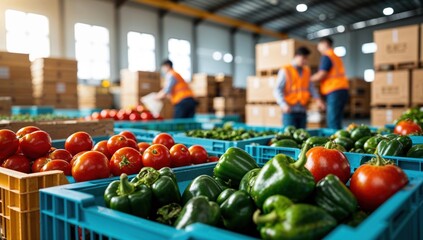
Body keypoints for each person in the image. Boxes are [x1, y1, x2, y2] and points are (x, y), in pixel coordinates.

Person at [274, 47, 325, 129]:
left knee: (302, 136)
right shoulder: (286, 70)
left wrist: (318, 99)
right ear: (296, 56)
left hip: (302, 110)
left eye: (306, 59)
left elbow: (311, 87)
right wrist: (283, 105)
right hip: (289, 110)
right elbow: (277, 89)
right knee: (289, 137)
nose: (305, 61)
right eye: (303, 58)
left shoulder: (306, 71)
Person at [311, 37, 349, 129]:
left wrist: (308, 79)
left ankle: (334, 142)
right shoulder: (335, 56)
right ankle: (339, 139)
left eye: (319, 45)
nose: (318, 48)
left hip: (334, 90)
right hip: (342, 89)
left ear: (324, 44)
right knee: (337, 119)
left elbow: (321, 74)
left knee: (332, 120)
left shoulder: (327, 56)